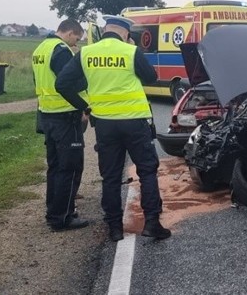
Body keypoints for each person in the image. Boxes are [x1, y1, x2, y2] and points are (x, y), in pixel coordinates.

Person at [55, 15, 171, 242]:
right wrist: (135, 52)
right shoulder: (130, 51)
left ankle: (115, 228)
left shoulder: (86, 53)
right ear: (126, 33)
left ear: (105, 30)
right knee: (147, 171)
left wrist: (84, 106)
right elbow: (152, 77)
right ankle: (152, 224)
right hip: (135, 121)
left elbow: (62, 83)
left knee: (110, 176)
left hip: (105, 124)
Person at [32, 19, 89, 232]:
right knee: (70, 168)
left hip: (47, 114)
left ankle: (53, 211)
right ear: (70, 33)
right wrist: (84, 106)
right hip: (65, 116)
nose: (75, 44)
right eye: (76, 38)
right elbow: (69, 82)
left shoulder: (40, 49)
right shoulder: (60, 50)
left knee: (55, 167)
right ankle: (64, 216)